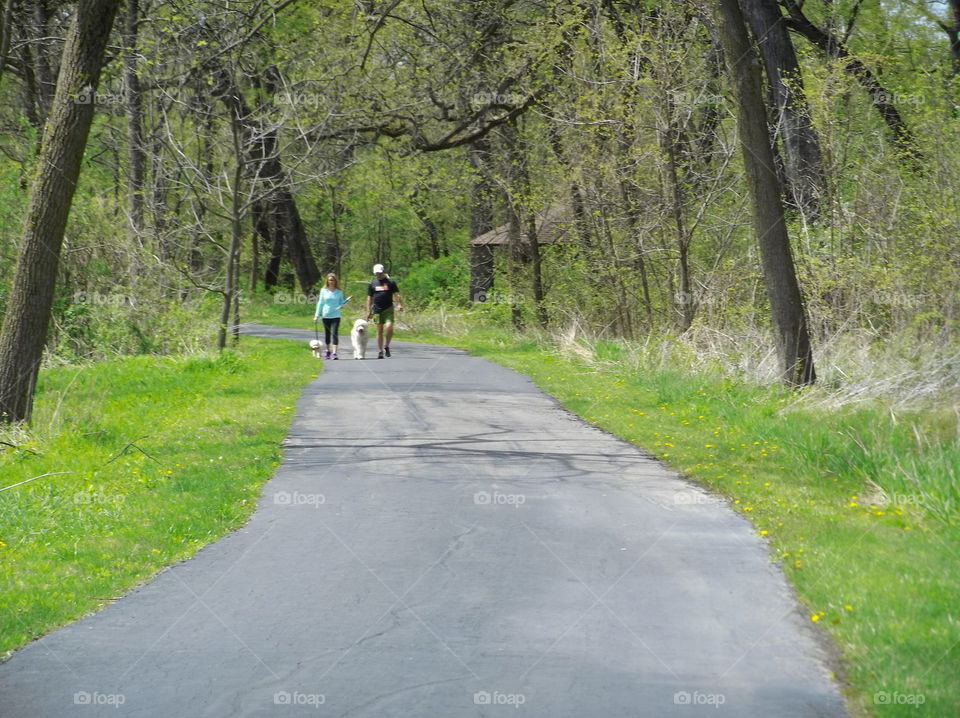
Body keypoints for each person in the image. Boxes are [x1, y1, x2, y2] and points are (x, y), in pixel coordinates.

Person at [366, 263, 403, 358]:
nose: (378, 274)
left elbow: (396, 294)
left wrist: (399, 304)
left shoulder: (391, 282)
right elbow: (369, 298)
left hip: (388, 309)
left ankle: (386, 346)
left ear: (382, 272)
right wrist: (368, 310)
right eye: (376, 273)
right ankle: (380, 350)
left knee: (389, 327)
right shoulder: (372, 283)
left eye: (379, 272)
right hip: (377, 310)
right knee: (379, 330)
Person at [313, 273, 350, 359]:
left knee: (335, 333)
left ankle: (334, 352)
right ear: (327, 281)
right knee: (327, 334)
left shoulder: (339, 292)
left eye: (333, 280)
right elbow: (320, 303)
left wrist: (346, 300)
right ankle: (328, 350)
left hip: (336, 315)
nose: (331, 282)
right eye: (330, 280)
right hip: (326, 315)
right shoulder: (323, 291)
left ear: (335, 281)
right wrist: (317, 315)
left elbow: (341, 302)